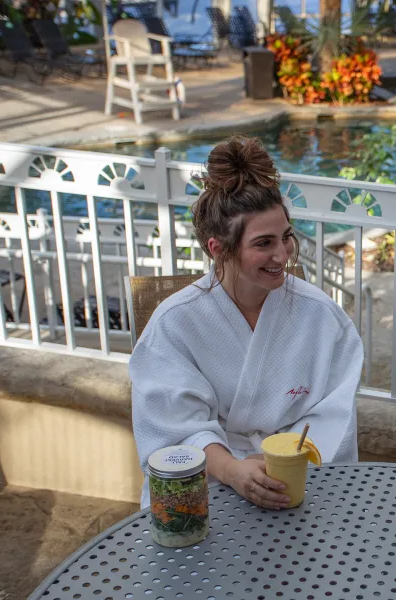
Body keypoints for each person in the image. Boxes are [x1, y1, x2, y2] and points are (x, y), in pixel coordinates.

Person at [130, 136, 363, 510]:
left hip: (299, 478)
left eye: (286, 237)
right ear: (217, 248)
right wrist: (232, 470)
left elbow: (333, 414)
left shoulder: (321, 315)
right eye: (263, 243)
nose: (282, 255)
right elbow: (171, 427)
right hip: (206, 482)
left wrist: (285, 462)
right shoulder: (174, 324)